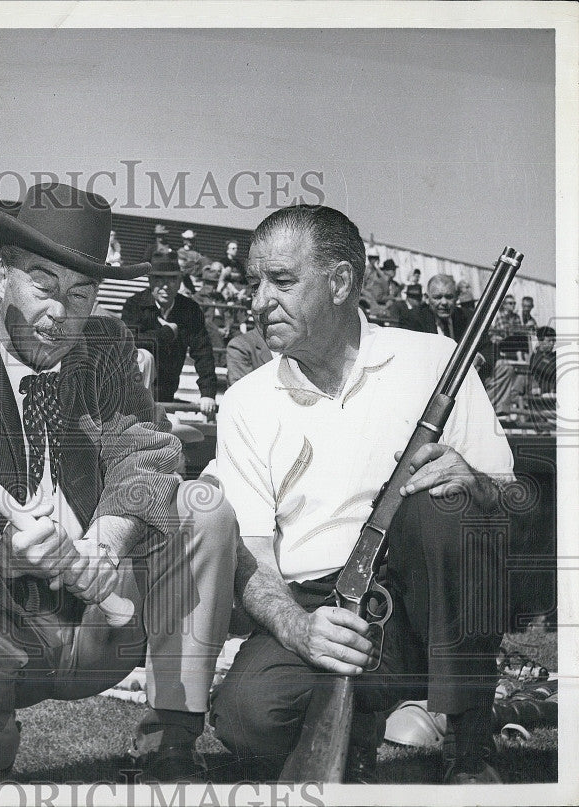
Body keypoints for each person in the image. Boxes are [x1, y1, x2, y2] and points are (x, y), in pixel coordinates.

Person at [0, 182, 238, 782]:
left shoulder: (108, 347)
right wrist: (1, 556)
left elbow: (146, 453)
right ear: (5, 274)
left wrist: (105, 545)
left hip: (108, 621)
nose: (60, 312)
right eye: (44, 284)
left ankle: (171, 740)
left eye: (81, 293)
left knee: (204, 507)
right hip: (9, 623)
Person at [204, 205, 515, 784]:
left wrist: (473, 481)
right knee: (249, 722)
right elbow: (251, 553)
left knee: (449, 505)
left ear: (341, 282)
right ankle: (368, 724)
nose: (257, 301)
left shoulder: (437, 360)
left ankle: (468, 750)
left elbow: (506, 496)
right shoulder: (246, 401)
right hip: (320, 603)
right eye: (254, 282)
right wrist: (298, 627)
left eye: (281, 281)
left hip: (429, 598)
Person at [121, 253, 219, 415]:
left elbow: (203, 352)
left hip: (167, 390)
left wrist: (208, 393)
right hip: (132, 391)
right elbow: (128, 343)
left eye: (171, 280)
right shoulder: (135, 305)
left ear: (180, 282)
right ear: (150, 282)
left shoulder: (189, 309)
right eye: (159, 280)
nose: (165, 286)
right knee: (142, 355)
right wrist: (165, 334)